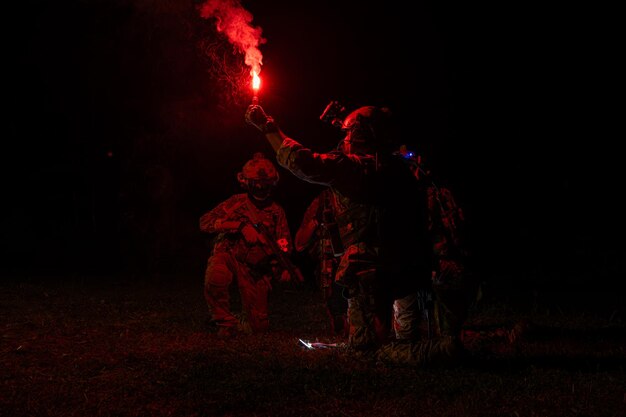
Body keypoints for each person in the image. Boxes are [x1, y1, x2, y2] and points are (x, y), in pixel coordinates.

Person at [245, 101, 464, 366]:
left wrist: (268, 128)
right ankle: (424, 344)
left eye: (348, 133)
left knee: (364, 351)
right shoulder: (404, 169)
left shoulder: (354, 169)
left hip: (371, 272)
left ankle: (439, 352)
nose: (344, 138)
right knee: (408, 338)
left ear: (359, 136)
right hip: (409, 272)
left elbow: (301, 162)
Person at [199, 152, 294, 337]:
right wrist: (239, 226)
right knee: (216, 275)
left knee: (258, 328)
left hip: (255, 267)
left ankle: (237, 319)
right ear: (246, 182)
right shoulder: (236, 203)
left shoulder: (276, 211)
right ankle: (223, 321)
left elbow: (284, 243)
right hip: (229, 255)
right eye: (255, 182)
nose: (259, 186)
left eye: (265, 183)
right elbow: (205, 222)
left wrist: (283, 266)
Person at [295, 188, 348, 337]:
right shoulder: (323, 200)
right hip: (331, 265)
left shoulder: (359, 194)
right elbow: (300, 243)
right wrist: (316, 221)